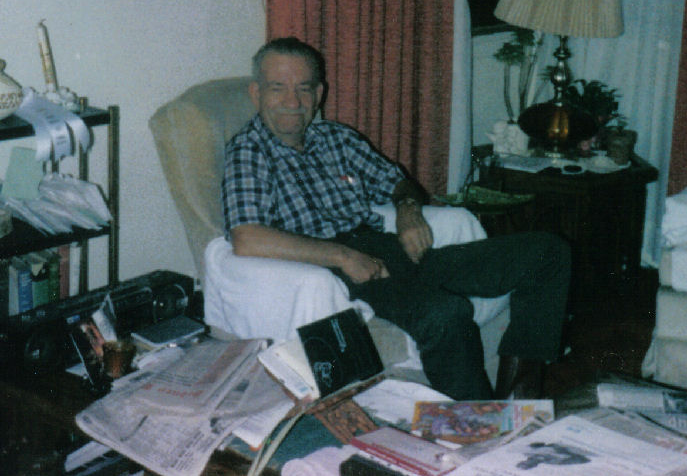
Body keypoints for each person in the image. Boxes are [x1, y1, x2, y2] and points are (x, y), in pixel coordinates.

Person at [222, 37, 570, 400]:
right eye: (278, 88)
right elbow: (247, 236)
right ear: (256, 92)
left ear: (319, 93)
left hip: (390, 252)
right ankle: (476, 424)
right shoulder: (249, 151)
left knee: (547, 252)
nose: (293, 102)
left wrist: (407, 211)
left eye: (304, 88)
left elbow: (399, 183)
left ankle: (521, 393)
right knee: (444, 313)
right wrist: (342, 256)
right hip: (341, 274)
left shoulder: (335, 138)